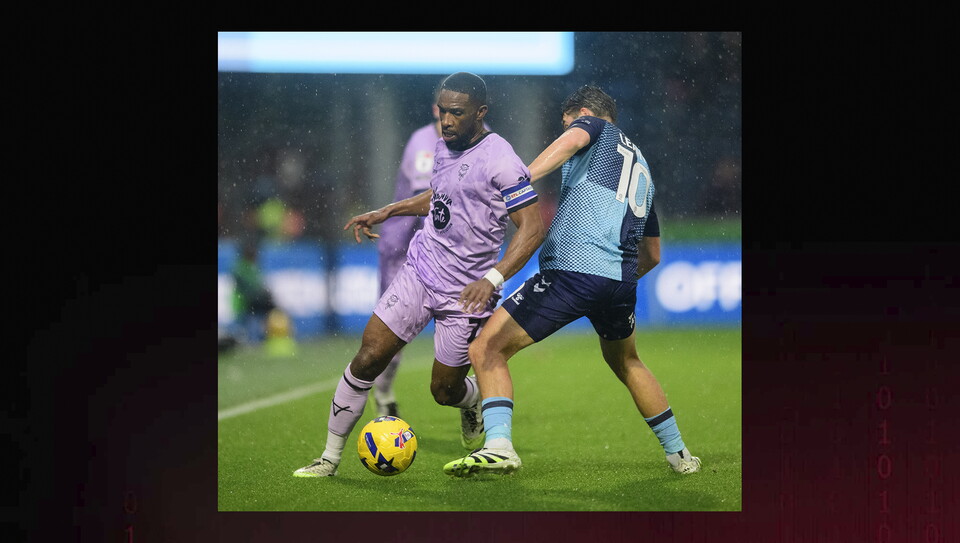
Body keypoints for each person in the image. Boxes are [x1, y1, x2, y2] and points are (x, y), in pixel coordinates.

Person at [294, 72, 545, 477]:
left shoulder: (501, 161)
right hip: (419, 271)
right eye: (442, 111)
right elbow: (442, 195)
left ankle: (473, 401)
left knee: (443, 391)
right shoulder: (444, 146)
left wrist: (493, 279)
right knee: (369, 357)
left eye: (456, 113)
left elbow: (532, 227)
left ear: (481, 113)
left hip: (466, 293)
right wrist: (389, 210)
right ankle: (328, 458)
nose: (445, 121)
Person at [443, 85, 701, 477]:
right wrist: (613, 278)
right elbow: (653, 255)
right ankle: (680, 454)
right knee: (628, 361)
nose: (568, 133)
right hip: (618, 282)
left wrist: (516, 181)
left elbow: (569, 144)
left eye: (568, 124)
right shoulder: (640, 166)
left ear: (583, 113)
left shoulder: (591, 125)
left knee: (486, 350)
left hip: (573, 271)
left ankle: (498, 446)